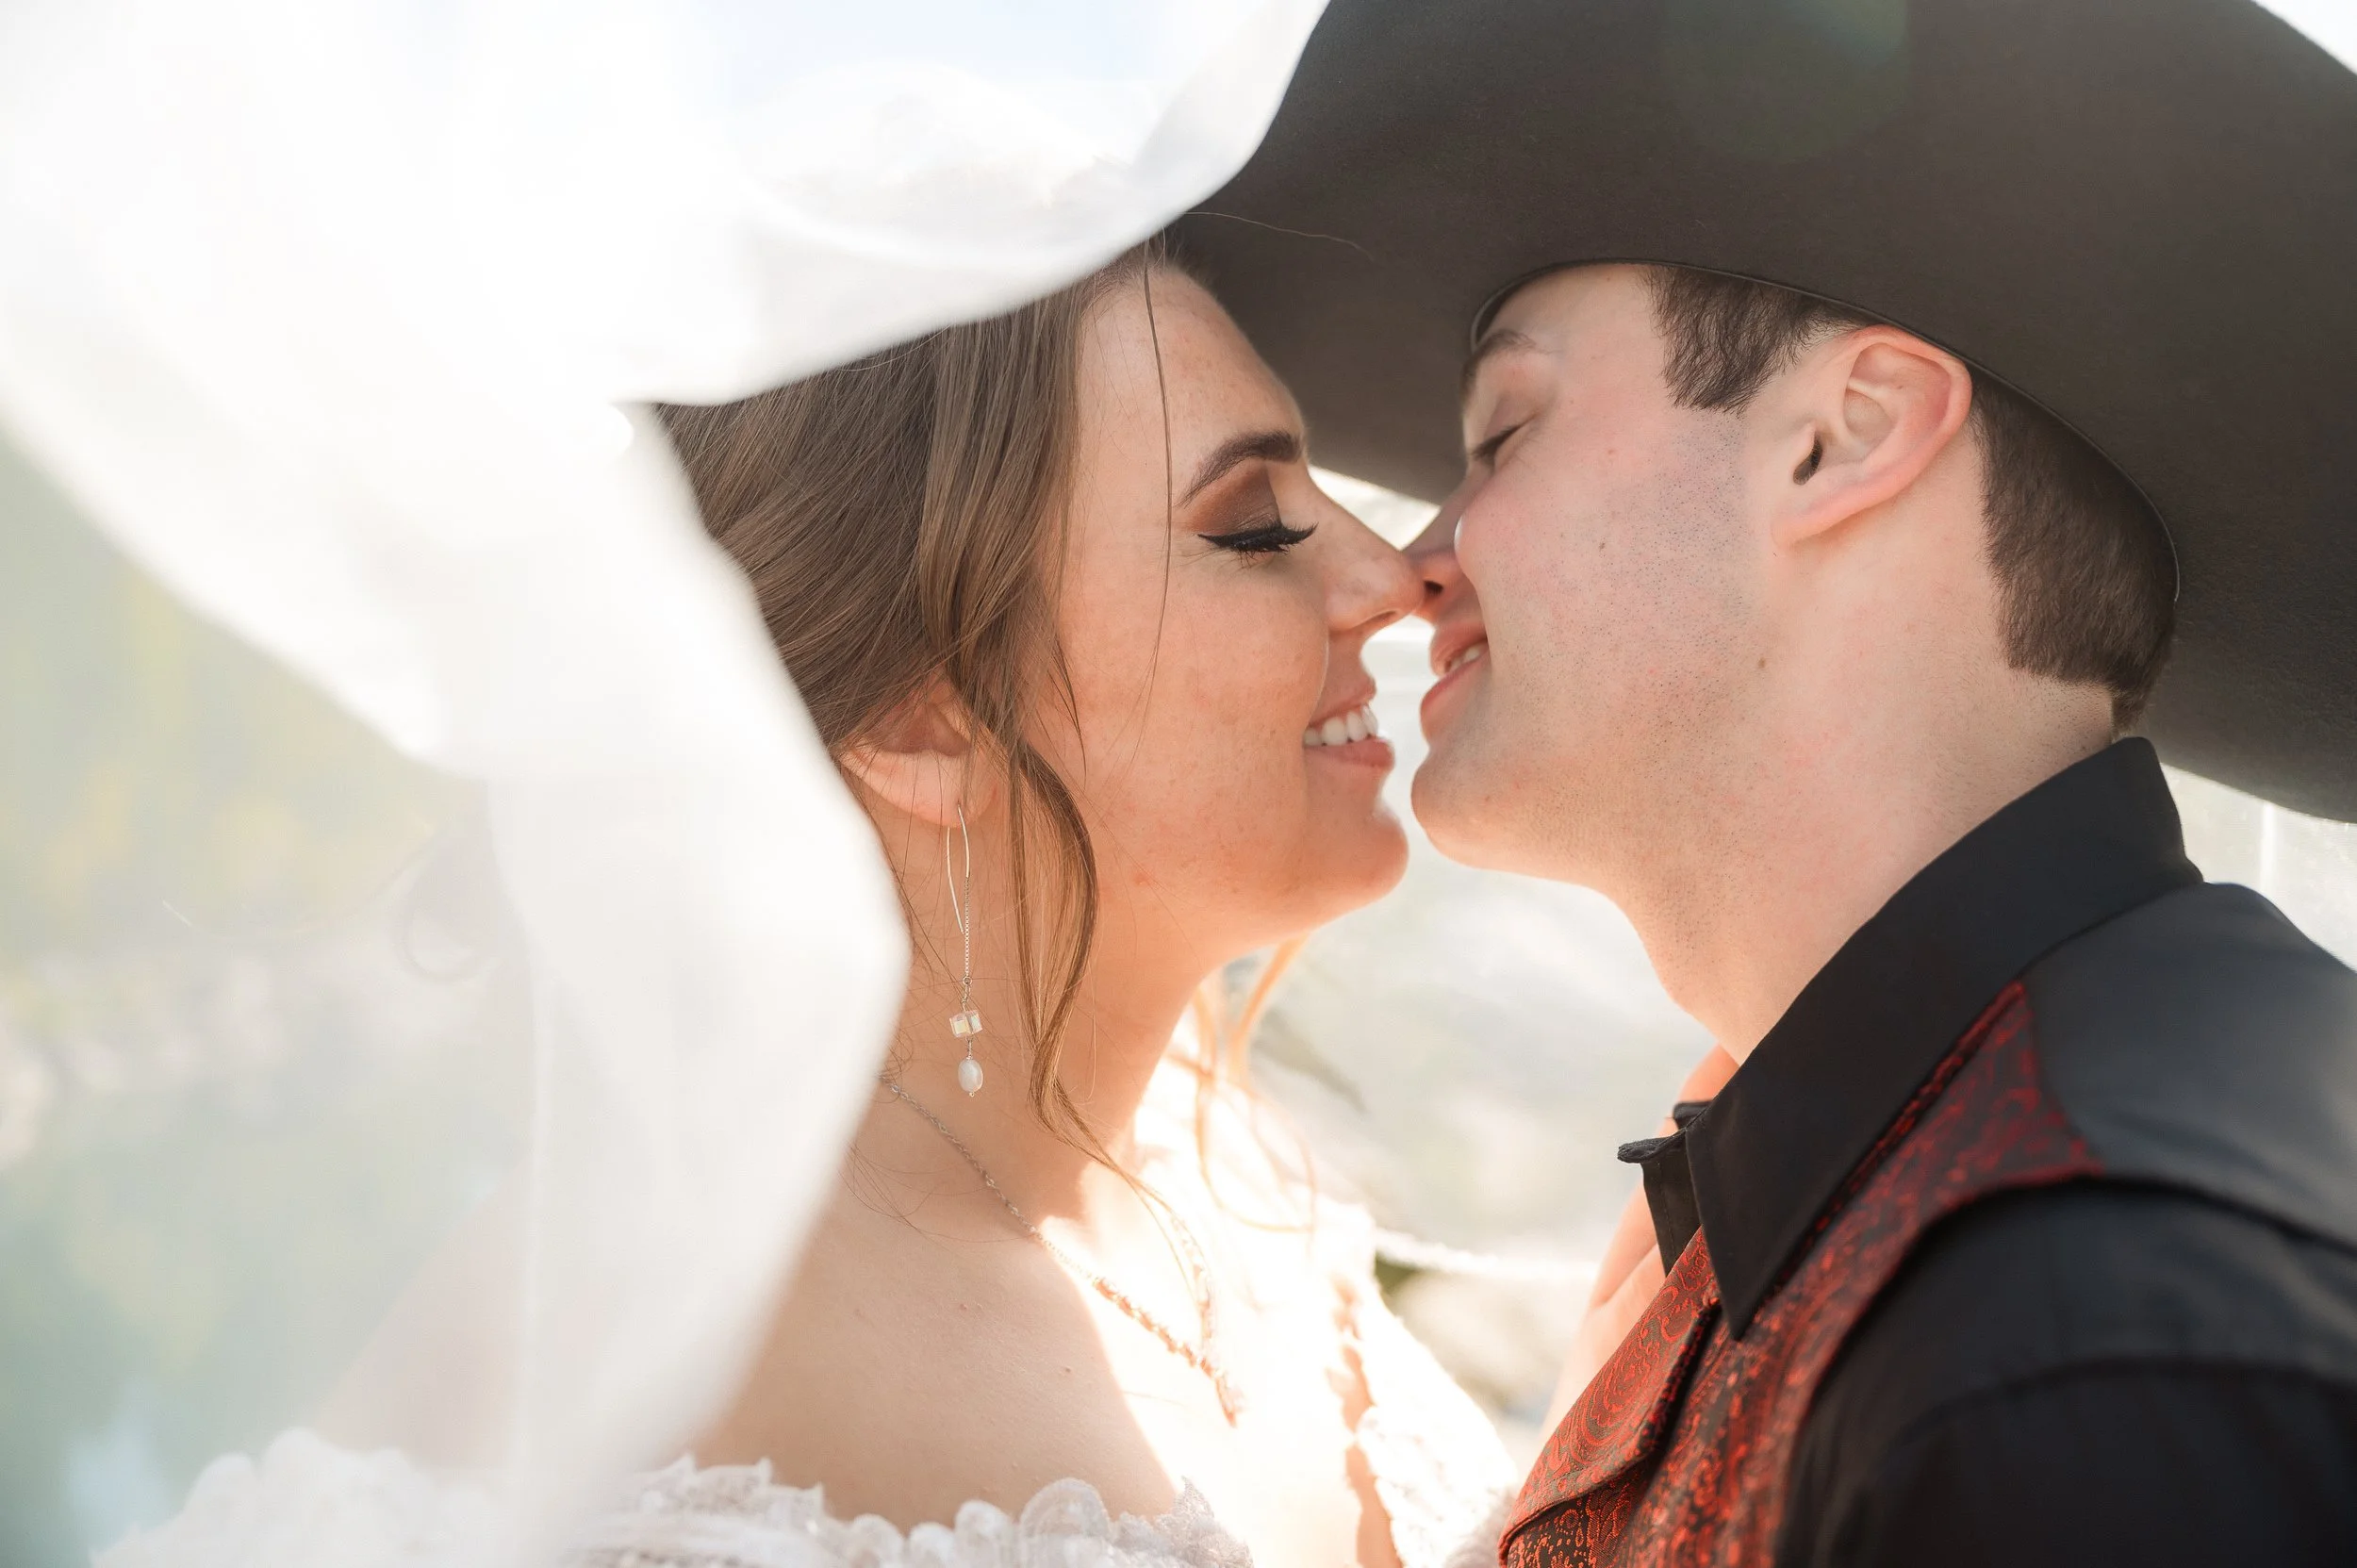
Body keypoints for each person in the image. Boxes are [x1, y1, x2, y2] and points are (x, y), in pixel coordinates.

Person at [1177, 0, 2357, 1561]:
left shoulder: (2087, 1338)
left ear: (1841, 439)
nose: (1413, 563)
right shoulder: (1884, 1199)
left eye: (1506, 434)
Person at [574, 243, 1515, 1568]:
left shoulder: (1250, 1178)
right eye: (1252, 527)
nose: (1392, 576)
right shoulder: (659, 1357)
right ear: (925, 717)